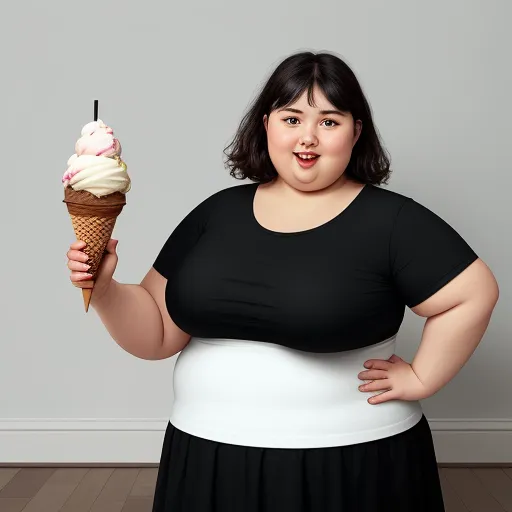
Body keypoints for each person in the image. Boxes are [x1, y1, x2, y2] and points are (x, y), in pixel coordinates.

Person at [66, 51, 499, 511]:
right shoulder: (217, 213)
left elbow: (474, 293)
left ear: (357, 131)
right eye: (292, 118)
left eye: (329, 122)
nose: (307, 138)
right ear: (266, 123)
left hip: (350, 466)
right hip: (205, 458)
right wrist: (106, 289)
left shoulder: (391, 220)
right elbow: (156, 334)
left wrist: (422, 376)